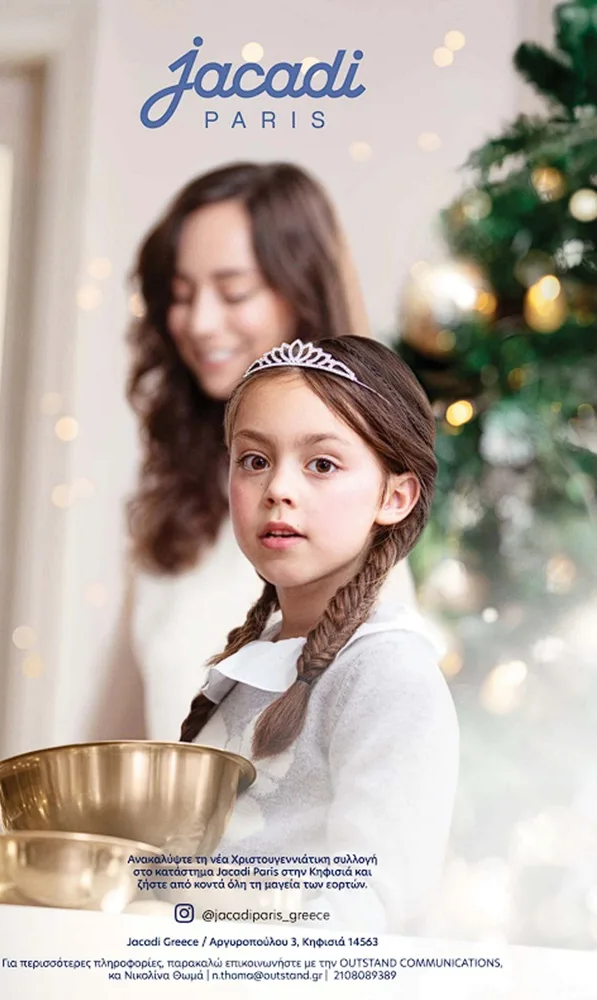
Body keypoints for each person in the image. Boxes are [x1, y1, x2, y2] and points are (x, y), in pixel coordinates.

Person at [91, 162, 417, 743]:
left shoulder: (353, 521)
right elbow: (130, 719)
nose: (200, 322)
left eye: (233, 291)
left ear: (301, 293)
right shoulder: (178, 495)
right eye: (182, 295)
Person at [180, 336, 459, 932]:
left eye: (322, 465)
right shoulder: (251, 665)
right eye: (254, 460)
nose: (278, 489)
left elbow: (372, 906)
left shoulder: (387, 676)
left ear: (395, 496)